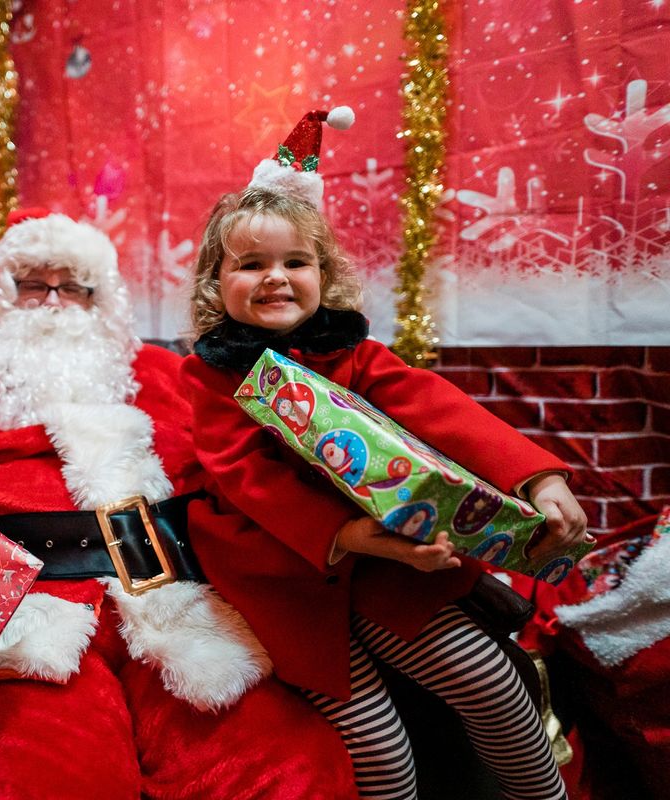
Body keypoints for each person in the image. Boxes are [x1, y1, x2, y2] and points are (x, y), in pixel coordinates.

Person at [180, 109, 590, 800]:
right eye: (250, 265)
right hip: (280, 566)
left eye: (294, 262)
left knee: (492, 685)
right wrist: (343, 535)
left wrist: (538, 476)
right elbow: (245, 478)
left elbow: (442, 410)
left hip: (391, 557)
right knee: (376, 745)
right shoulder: (212, 374)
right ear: (216, 284)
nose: (275, 278)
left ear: (324, 274)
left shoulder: (353, 353)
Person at [0, 208, 356, 799]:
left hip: (179, 609)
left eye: (72, 285)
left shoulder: (175, 375)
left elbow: (253, 472)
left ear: (101, 298)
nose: (53, 300)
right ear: (1, 294)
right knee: (41, 777)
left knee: (294, 767)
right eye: (33, 284)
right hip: (27, 618)